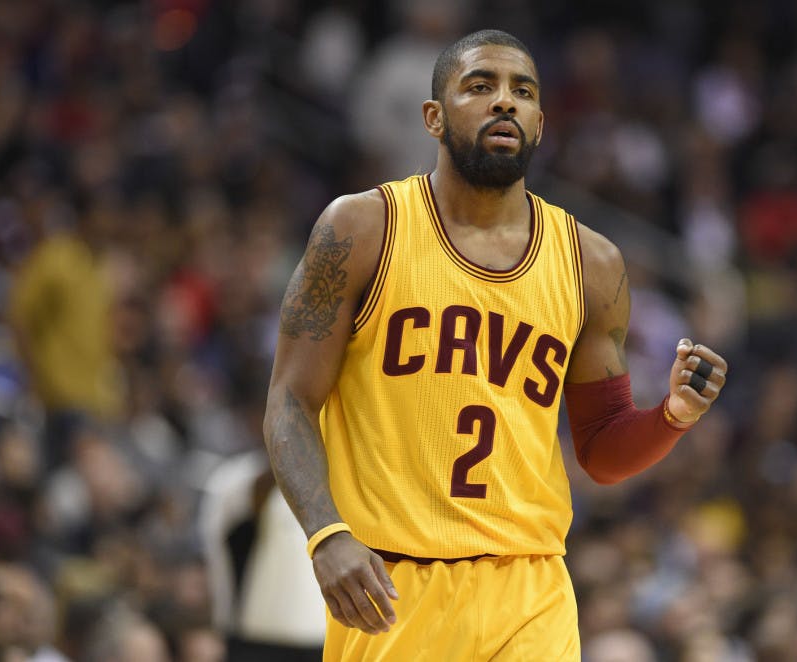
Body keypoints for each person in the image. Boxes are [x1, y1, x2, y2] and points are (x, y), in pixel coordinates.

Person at [263, 29, 728, 661]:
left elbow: (601, 450)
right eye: (480, 86)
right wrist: (326, 533)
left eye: (523, 92)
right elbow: (290, 401)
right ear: (433, 117)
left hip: (532, 588)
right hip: (395, 583)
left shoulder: (592, 264)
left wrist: (672, 415)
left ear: (540, 124)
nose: (505, 101)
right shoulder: (362, 228)